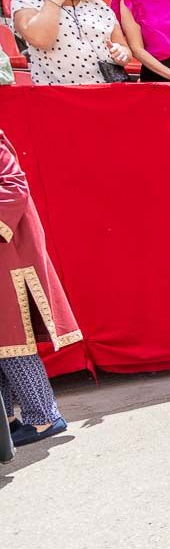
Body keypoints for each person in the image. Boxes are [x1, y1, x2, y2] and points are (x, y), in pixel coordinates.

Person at [0, 130, 78, 447]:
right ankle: (6, 422)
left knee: (11, 339)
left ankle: (43, 417)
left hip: (6, 251)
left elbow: (13, 187)